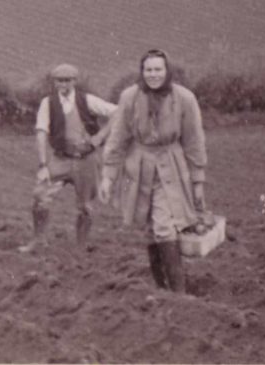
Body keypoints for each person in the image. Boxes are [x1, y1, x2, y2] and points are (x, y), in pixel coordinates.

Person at [99, 49, 208, 293]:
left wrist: (198, 180)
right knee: (150, 229)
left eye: (158, 69)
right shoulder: (130, 97)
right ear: (142, 71)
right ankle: (162, 289)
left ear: (167, 71)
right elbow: (118, 138)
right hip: (138, 169)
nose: (153, 74)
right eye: (148, 70)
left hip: (171, 166)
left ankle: (178, 292)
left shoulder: (184, 98)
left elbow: (194, 141)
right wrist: (108, 176)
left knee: (163, 227)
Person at [18, 63, 117, 253]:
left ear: (74, 81)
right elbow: (41, 132)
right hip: (60, 159)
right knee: (40, 196)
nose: (64, 84)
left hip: (86, 160)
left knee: (86, 206)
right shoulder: (48, 103)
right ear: (54, 82)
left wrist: (100, 137)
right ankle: (38, 241)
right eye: (60, 80)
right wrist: (42, 164)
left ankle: (81, 247)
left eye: (68, 80)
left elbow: (119, 112)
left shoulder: (87, 100)